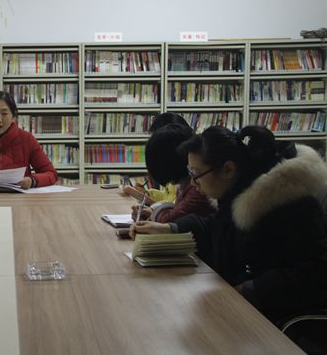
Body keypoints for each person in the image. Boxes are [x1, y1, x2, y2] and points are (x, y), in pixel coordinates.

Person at [131, 125, 327, 324]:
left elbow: (313, 272)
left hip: (277, 321)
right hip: (241, 308)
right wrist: (169, 229)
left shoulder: (287, 205)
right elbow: (215, 225)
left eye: (196, 175)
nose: (193, 183)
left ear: (228, 169)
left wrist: (247, 289)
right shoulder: (238, 193)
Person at [131, 123, 215, 223]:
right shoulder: (184, 184)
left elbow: (170, 220)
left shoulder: (197, 188)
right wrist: (152, 212)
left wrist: (154, 213)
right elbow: (177, 211)